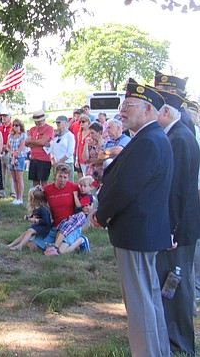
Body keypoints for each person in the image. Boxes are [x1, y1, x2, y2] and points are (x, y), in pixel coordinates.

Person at [92, 79, 173, 357]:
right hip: (142, 233)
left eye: (128, 106)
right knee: (148, 299)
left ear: (148, 109)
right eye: (121, 105)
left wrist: (101, 216)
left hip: (137, 233)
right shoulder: (150, 138)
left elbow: (126, 187)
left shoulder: (149, 140)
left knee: (140, 305)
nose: (121, 111)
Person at [154, 89, 200, 355]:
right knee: (174, 283)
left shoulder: (179, 138)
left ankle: (180, 343)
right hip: (179, 226)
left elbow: (178, 190)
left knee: (177, 285)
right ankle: (174, 338)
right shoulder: (178, 135)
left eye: (157, 110)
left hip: (179, 228)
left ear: (167, 113)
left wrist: (170, 229)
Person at [29, 164, 84, 254]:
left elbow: (87, 202)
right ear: (55, 176)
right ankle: (52, 242)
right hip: (55, 226)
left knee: (61, 251)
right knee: (32, 246)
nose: (62, 180)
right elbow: (39, 205)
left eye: (65, 177)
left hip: (70, 226)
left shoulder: (74, 188)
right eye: (60, 176)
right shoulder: (47, 190)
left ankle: (81, 240)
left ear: (69, 177)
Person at [44, 177, 94, 256]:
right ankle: (55, 246)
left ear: (91, 187)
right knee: (62, 226)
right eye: (81, 186)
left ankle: (81, 240)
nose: (82, 188)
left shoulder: (88, 197)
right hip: (75, 216)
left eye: (85, 186)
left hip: (80, 217)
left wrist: (75, 195)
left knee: (66, 229)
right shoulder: (82, 194)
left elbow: (78, 204)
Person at [25, 110, 54, 187]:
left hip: (44, 159)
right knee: (35, 181)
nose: (38, 123)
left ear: (44, 119)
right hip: (34, 158)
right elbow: (27, 143)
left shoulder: (49, 128)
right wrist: (37, 142)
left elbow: (42, 142)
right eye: (36, 121)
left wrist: (32, 142)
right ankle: (36, 197)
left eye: (40, 121)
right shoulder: (32, 129)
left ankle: (44, 198)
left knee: (44, 182)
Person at [7, 119, 28, 205]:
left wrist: (16, 153)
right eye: (14, 125)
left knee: (19, 178)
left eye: (17, 125)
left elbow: (22, 146)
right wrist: (11, 152)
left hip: (19, 157)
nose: (15, 127)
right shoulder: (10, 135)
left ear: (20, 126)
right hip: (10, 157)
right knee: (14, 178)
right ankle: (16, 196)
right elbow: (7, 146)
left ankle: (20, 197)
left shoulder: (23, 135)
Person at [0, 111, 13, 198]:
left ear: (10, 117)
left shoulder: (13, 128)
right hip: (0, 153)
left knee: (11, 173)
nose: (3, 118)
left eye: (5, 116)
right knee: (1, 173)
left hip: (9, 153)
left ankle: (13, 192)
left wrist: (6, 147)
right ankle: (1, 191)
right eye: (2, 116)